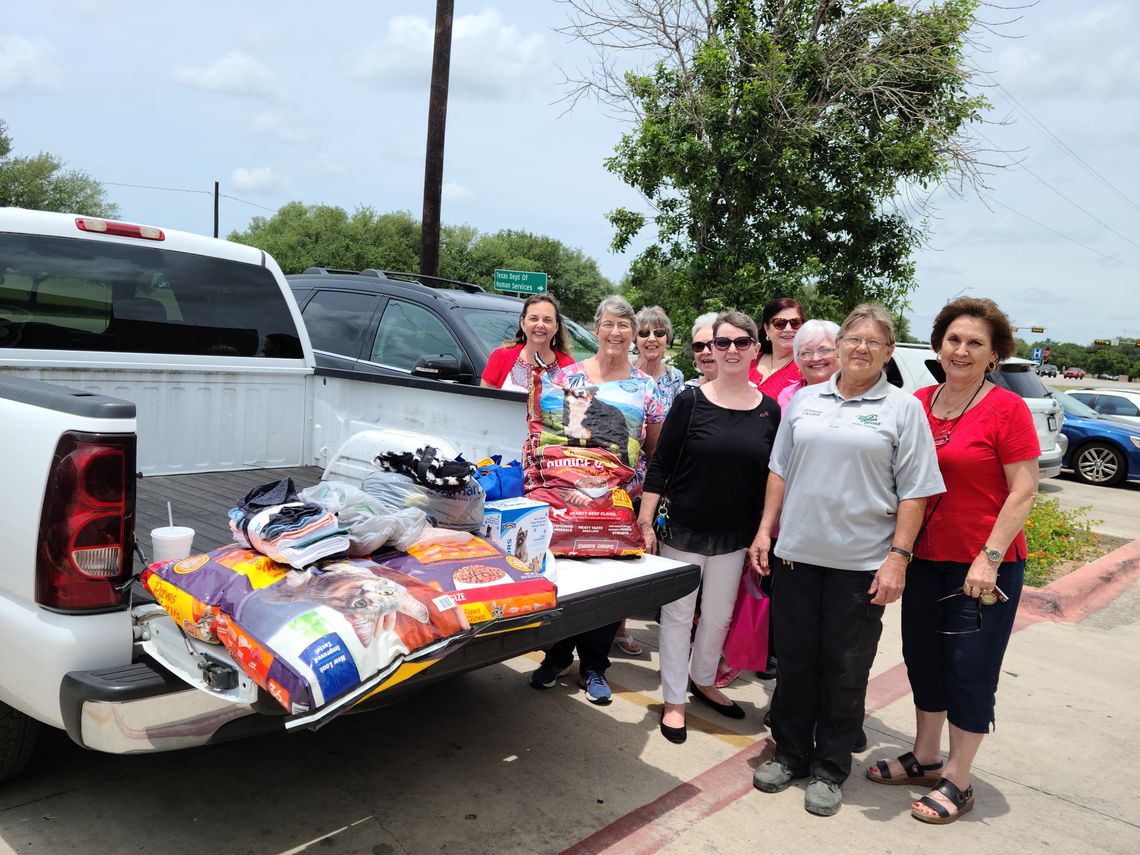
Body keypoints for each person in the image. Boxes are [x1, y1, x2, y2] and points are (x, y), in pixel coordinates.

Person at [747, 304, 944, 817]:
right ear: (839, 346)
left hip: (860, 565)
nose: (861, 348)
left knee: (844, 668)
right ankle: (790, 754)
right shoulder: (806, 401)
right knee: (794, 662)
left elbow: (916, 492)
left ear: (889, 352)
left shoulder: (904, 410)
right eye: (853, 339)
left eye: (873, 342)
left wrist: (898, 559)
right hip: (795, 557)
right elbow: (779, 472)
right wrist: (766, 532)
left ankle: (830, 768)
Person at [866, 297, 1038, 825]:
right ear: (939, 344)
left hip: (982, 568)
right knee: (923, 659)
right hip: (924, 559)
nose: (961, 351)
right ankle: (924, 756)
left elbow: (1024, 489)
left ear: (993, 355)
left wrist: (988, 557)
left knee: (970, 670)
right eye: (953, 340)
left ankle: (958, 781)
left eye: (975, 344)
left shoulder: (1007, 409)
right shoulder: (917, 400)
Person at [637, 311, 781, 744]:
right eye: (722, 343)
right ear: (712, 349)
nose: (732, 350)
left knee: (718, 615)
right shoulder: (691, 399)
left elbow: (773, 475)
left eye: (742, 342)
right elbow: (660, 463)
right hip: (683, 526)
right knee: (679, 615)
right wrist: (646, 519)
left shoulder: (769, 410)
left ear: (757, 348)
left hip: (734, 533)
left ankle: (704, 679)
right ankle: (675, 699)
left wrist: (762, 532)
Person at [528, 295, 665, 704]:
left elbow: (656, 453)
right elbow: (541, 435)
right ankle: (555, 657)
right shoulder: (566, 377)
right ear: (597, 328)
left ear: (634, 335)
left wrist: (645, 515)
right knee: (565, 583)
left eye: (625, 326)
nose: (616, 333)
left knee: (606, 590)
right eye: (609, 324)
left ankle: (593, 666)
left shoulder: (646, 388)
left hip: (616, 505)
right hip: (564, 500)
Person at [480, 294, 576, 390]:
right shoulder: (501, 356)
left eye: (547, 320)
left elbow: (573, 403)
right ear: (523, 323)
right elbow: (485, 402)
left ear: (556, 326)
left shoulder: (568, 365)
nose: (540, 325)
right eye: (534, 319)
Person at [749, 297, 805, 396]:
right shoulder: (750, 360)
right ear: (767, 329)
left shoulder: (806, 366)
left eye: (795, 323)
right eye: (780, 323)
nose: (788, 329)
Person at [685, 312, 720, 388]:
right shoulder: (687, 389)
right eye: (698, 346)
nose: (705, 352)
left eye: (712, 344)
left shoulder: (749, 391)